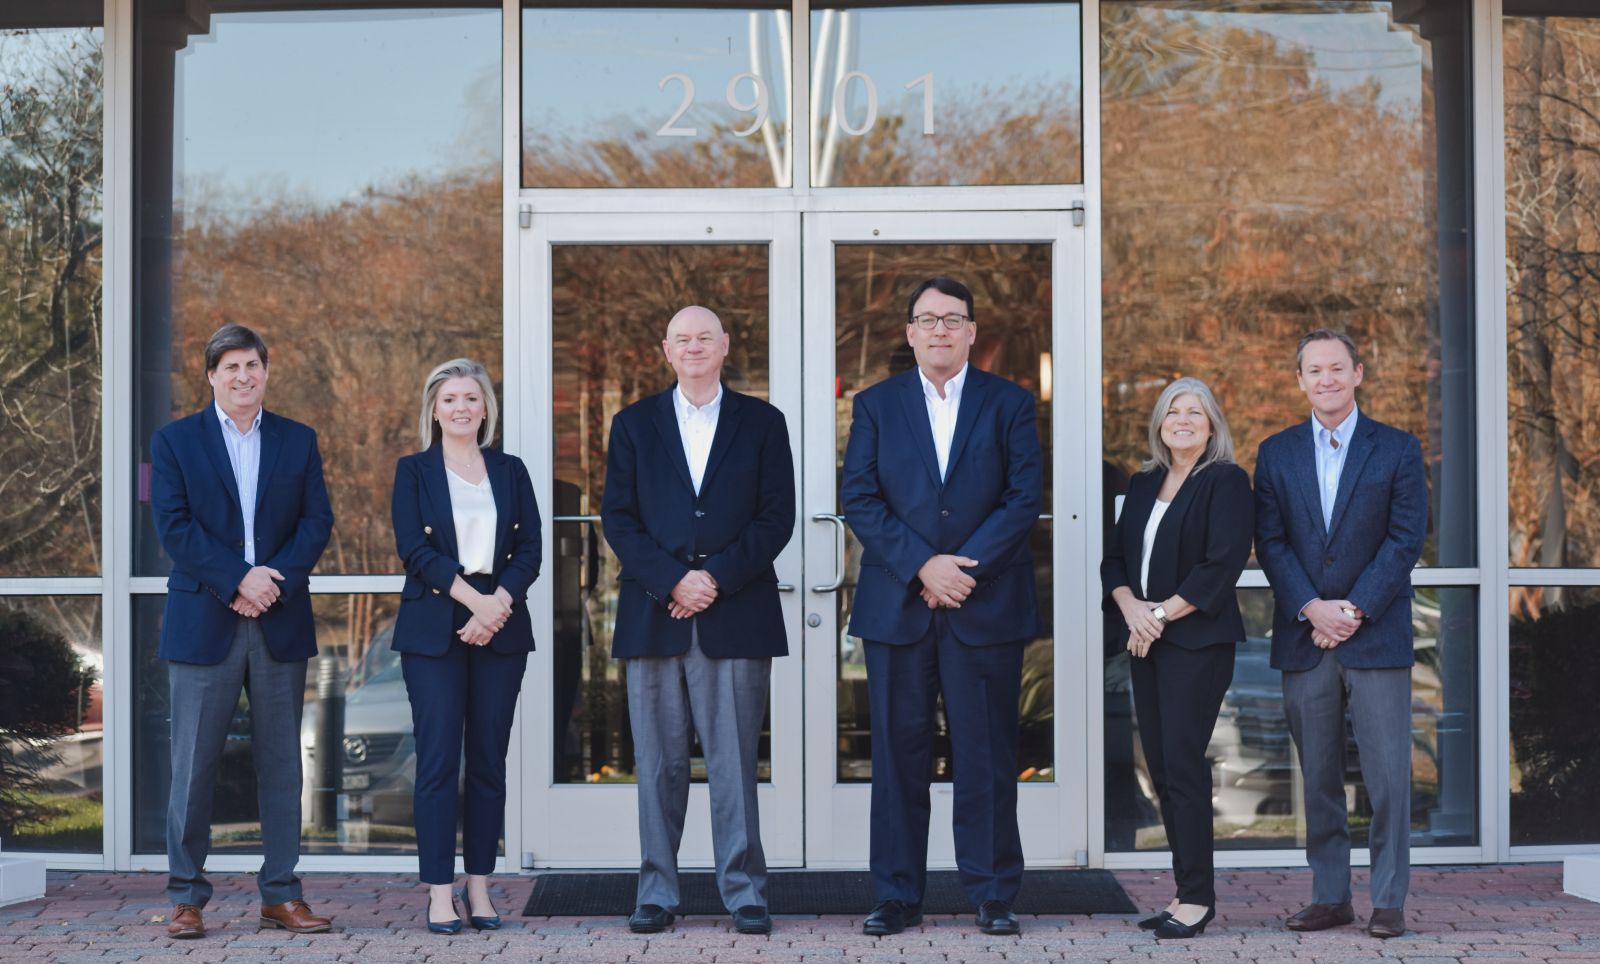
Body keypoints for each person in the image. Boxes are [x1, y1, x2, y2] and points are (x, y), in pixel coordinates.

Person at [841, 277, 1042, 938]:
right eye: (927, 320)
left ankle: (993, 893)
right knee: (898, 757)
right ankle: (896, 895)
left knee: (986, 756)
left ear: (971, 331)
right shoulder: (875, 405)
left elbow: (1022, 498)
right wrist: (923, 565)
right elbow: (860, 497)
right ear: (910, 333)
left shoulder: (1009, 403)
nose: (940, 330)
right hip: (898, 605)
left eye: (952, 319)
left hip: (986, 607)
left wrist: (960, 571)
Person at [600, 305, 796, 937]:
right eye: (682, 339)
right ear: (666, 350)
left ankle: (745, 893)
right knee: (658, 766)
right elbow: (619, 518)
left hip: (734, 613)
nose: (693, 347)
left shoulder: (763, 423)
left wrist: (713, 579)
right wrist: (673, 580)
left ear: (724, 346)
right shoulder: (633, 425)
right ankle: (656, 891)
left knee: (734, 764)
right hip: (655, 614)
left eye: (704, 337)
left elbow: (777, 516)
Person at [150, 323, 335, 939]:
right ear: (211, 375)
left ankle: (281, 895)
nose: (243, 376)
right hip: (205, 620)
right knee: (193, 767)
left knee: (282, 766)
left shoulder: (298, 440)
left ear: (265, 371)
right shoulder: (175, 441)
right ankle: (186, 898)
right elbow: (174, 526)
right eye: (230, 366)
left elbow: (316, 521)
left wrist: (269, 583)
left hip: (278, 618)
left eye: (252, 364)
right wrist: (237, 580)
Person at [1254, 329, 1427, 940]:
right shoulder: (1275, 453)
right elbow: (1270, 541)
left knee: (1388, 778)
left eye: (1336, 368)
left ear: (1358, 373)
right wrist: (1311, 607)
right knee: (1319, 778)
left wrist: (1352, 610)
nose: (1325, 379)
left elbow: (1406, 537)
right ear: (1299, 380)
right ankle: (1330, 896)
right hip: (1306, 638)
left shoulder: (1398, 448)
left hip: (1375, 635)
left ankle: (1388, 899)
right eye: (1314, 370)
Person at [390, 358, 541, 934]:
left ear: (485, 409)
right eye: (450, 398)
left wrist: (495, 603)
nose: (461, 407)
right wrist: (474, 602)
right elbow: (414, 550)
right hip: (436, 626)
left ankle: (479, 886)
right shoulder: (414, 471)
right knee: (435, 764)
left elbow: (531, 548)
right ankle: (439, 892)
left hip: (500, 623)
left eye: (471, 398)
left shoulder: (511, 470)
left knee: (487, 763)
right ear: (434, 409)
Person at [1102, 377, 1253, 939]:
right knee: (1162, 768)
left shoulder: (1226, 481)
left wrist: (1158, 616)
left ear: (1212, 425)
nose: (1182, 421)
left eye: (1194, 412)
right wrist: (1132, 610)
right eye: (1172, 411)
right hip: (1145, 639)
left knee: (1184, 766)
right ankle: (1184, 889)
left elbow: (1220, 565)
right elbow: (1114, 561)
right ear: (1159, 424)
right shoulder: (1144, 483)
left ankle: (1197, 899)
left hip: (1196, 644)